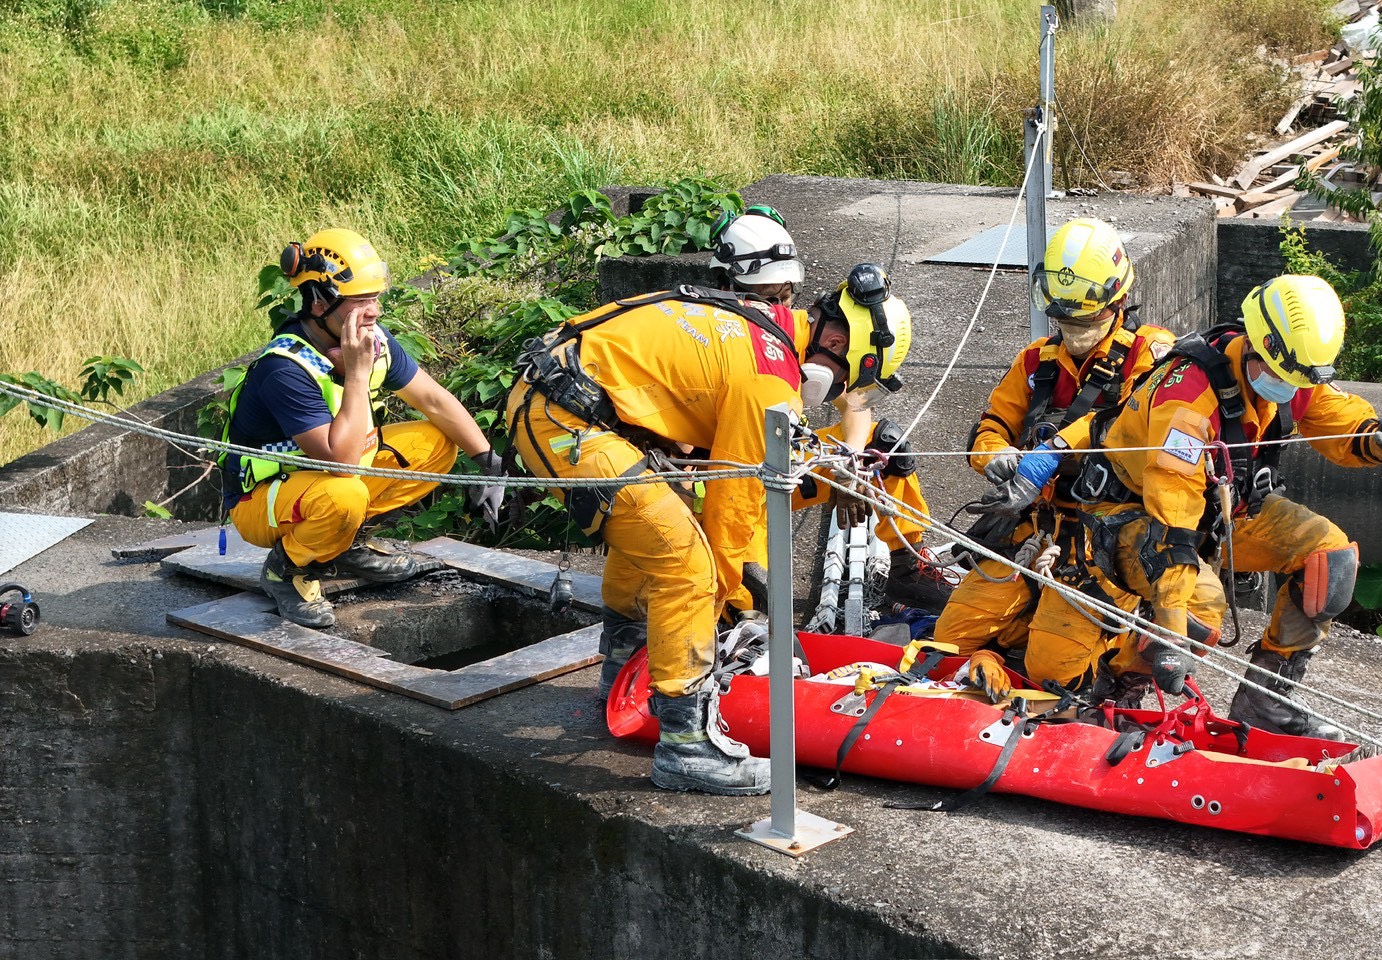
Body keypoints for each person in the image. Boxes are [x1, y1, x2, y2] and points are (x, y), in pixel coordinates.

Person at [505, 244, 911, 796]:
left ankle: (623, 670)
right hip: (569, 420)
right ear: (835, 346)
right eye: (844, 380)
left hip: (555, 397)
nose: (837, 393)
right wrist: (724, 609)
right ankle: (687, 745)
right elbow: (732, 509)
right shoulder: (770, 380)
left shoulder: (760, 323)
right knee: (686, 563)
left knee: (651, 533)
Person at [989, 275, 1382, 739]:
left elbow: (1336, 417)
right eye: (1282, 376)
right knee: (1193, 610)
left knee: (1328, 560)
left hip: (1219, 517)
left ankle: (1265, 702)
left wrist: (1376, 438)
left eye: (1298, 380)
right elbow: (1172, 516)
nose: (1289, 388)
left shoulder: (1290, 372)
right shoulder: (1187, 399)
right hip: (1130, 520)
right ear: (1255, 344)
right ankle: (1118, 688)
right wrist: (1171, 635)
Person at [936, 218, 1218, 704]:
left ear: (1119, 302)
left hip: (1107, 536)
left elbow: (1126, 424)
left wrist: (1055, 451)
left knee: (1054, 669)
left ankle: (1121, 669)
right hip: (1033, 528)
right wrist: (996, 455)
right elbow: (990, 426)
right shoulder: (1036, 362)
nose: (1074, 331)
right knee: (950, 641)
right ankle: (1004, 650)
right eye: (1065, 321)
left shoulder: (1154, 358)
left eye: (1085, 321)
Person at [220, 228, 505, 628]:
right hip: (262, 500)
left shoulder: (371, 338)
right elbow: (342, 464)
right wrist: (356, 374)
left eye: (375, 298)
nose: (375, 312)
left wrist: (490, 463)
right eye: (361, 301)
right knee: (345, 494)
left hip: (322, 477)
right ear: (319, 302)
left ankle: (345, 545)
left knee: (438, 443)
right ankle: (287, 569)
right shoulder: (284, 368)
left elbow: (433, 400)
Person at [703, 209, 950, 611]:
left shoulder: (797, 332)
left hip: (774, 469)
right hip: (719, 484)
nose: (774, 309)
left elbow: (857, 403)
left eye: (784, 297)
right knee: (745, 592)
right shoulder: (714, 337)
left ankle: (907, 568)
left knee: (884, 447)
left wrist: (849, 466)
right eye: (764, 298)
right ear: (725, 286)